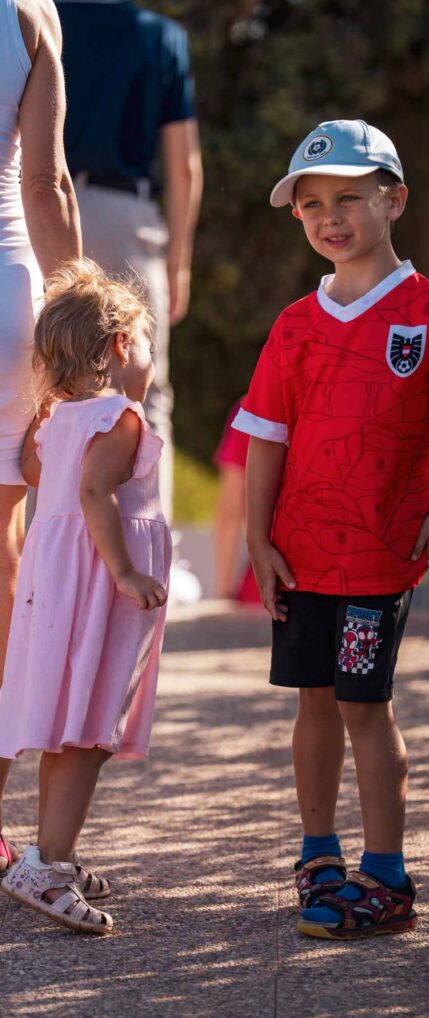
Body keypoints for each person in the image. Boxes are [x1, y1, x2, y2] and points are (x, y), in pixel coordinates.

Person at [233, 119, 429, 940]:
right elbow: (265, 437)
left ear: (395, 200)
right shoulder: (294, 323)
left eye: (350, 198)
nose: (331, 217)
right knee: (313, 703)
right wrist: (257, 540)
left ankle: (387, 879)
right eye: (313, 204)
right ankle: (319, 857)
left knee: (364, 707)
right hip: (300, 556)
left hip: (379, 561)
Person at [0, 259, 171, 934]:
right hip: (100, 589)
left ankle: (50, 851)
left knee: (67, 722)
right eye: (148, 343)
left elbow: (39, 473)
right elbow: (95, 492)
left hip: (58, 585)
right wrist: (125, 572)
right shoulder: (120, 418)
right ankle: (44, 868)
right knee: (88, 729)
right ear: (122, 346)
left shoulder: (58, 420)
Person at [55, 0, 204, 521]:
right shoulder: (162, 36)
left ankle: (37, 544)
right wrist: (179, 262)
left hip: (41, 203)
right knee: (144, 383)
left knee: (38, 378)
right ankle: (148, 537)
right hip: (125, 216)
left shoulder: (38, 15)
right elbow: (184, 165)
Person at [0, 0, 81, 874]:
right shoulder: (27, 10)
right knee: (2, 555)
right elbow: (44, 181)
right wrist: (86, 328)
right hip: (7, 297)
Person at [214, 398, 260, 603]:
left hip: (267, 590)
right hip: (351, 587)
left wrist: (224, 591)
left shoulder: (255, 407)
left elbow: (231, 509)